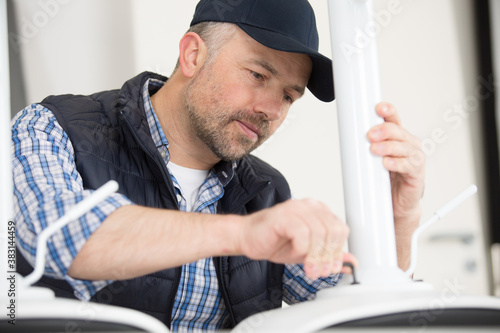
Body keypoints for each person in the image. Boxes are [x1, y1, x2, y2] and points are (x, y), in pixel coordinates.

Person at [12, 0, 425, 331]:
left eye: (287, 96)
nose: (270, 110)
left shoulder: (266, 192)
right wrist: (242, 234)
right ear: (193, 54)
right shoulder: (54, 127)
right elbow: (58, 238)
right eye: (258, 75)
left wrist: (399, 220)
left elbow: (357, 313)